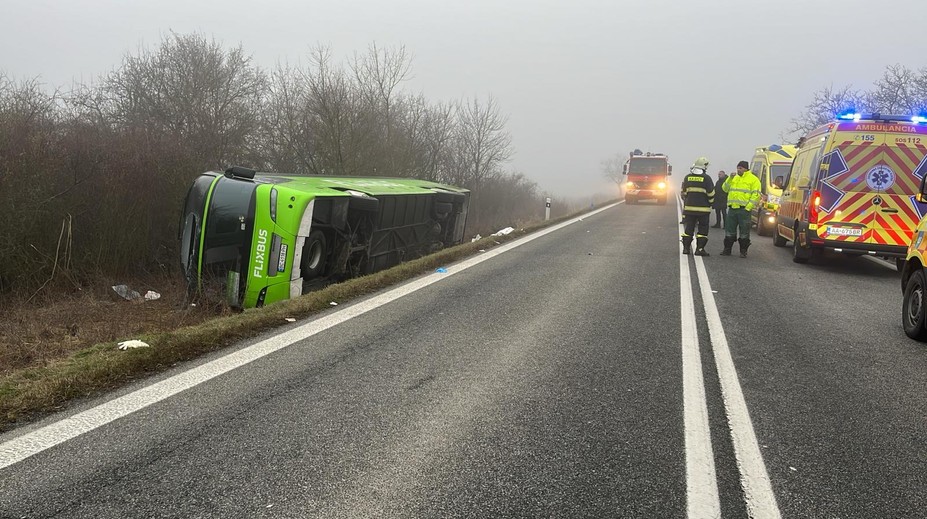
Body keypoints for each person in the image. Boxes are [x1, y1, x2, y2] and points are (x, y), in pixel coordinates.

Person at [721, 160, 761, 257]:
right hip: (732, 209)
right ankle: (727, 250)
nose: (738, 170)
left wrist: (748, 208)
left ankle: (743, 251)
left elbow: (756, 195)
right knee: (729, 231)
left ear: (746, 169)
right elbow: (725, 189)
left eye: (740, 168)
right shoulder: (734, 178)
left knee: (744, 232)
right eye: (738, 168)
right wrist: (730, 179)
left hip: (744, 210)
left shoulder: (753, 179)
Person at [680, 156, 715, 256]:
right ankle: (700, 249)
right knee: (702, 230)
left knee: (689, 228)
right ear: (704, 167)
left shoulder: (687, 177)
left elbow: (684, 192)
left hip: (689, 209)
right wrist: (710, 203)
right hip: (703, 210)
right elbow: (711, 193)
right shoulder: (707, 178)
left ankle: (686, 249)